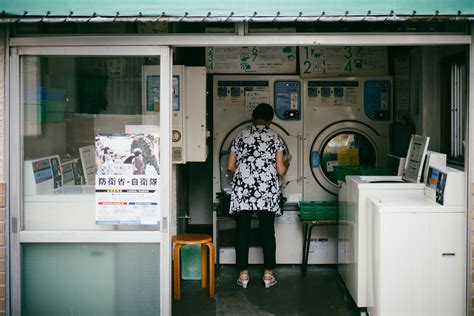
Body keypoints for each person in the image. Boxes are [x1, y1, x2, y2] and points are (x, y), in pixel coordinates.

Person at [227, 102, 289, 289]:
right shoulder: (275, 137)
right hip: (266, 191)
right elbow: (280, 170)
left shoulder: (240, 135)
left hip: (243, 190)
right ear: (270, 120)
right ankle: (268, 276)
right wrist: (286, 164)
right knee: (267, 232)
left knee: (242, 231)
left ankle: (243, 275)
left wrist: (247, 171)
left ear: (254, 118)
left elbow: (230, 166)